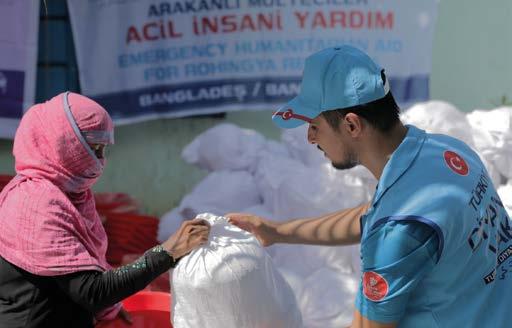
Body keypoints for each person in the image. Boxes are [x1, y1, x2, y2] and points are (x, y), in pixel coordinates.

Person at [227, 46, 512, 328]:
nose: (310, 138)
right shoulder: (447, 152)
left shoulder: (396, 231)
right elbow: (375, 215)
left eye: (315, 125)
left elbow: (390, 228)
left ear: (352, 125)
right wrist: (275, 232)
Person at [0, 92, 210, 327]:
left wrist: (110, 309)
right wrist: (166, 253)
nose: (100, 161)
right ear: (61, 144)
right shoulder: (36, 203)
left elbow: (85, 277)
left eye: (103, 150)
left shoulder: (70, 195)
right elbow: (92, 290)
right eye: (92, 148)